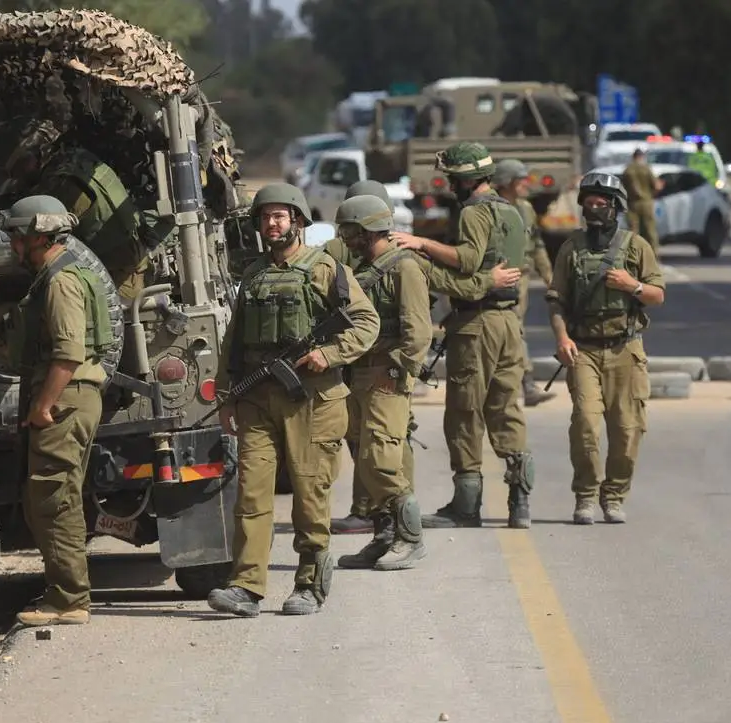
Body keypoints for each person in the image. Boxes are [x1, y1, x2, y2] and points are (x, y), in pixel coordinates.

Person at [208, 184, 379, 617]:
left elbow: (366, 322)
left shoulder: (324, 269)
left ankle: (309, 584)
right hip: (257, 398)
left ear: (298, 221)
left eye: (280, 216)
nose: (272, 224)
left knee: (309, 495)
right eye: (265, 217)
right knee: (251, 496)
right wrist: (227, 397)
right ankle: (246, 586)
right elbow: (233, 342)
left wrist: (329, 354)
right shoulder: (253, 274)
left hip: (312, 400)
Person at [391, 142, 534, 530]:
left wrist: (422, 246)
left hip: (476, 325)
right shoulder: (513, 210)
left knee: (465, 412)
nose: (450, 185)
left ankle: (467, 506)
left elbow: (468, 260)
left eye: (453, 179)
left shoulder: (473, 211)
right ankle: (520, 502)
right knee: (506, 407)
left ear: (468, 179)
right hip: (508, 323)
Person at [0, 195, 113, 627]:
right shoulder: (59, 274)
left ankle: (69, 599)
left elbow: (68, 353)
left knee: (54, 501)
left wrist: (43, 405)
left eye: (17, 236)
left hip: (65, 398)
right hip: (72, 396)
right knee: (51, 498)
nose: (13, 245)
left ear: (38, 237)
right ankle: (63, 592)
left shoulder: (60, 281)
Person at [545, 172, 666, 525]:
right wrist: (562, 338)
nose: (594, 209)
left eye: (601, 203)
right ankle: (585, 495)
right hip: (583, 350)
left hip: (625, 349)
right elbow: (556, 300)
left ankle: (613, 496)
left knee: (628, 429)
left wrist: (632, 285)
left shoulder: (636, 246)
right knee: (585, 423)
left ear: (616, 207)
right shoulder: (571, 248)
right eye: (588, 203)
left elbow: (658, 295)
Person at [331, 195, 433, 571]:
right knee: (365, 460)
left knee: (383, 459)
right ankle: (385, 535)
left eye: (349, 230)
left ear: (367, 229)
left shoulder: (404, 268)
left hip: (386, 376)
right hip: (359, 374)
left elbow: (418, 333)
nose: (345, 237)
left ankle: (411, 538)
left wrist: (396, 372)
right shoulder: (363, 269)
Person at [5, 119, 164, 302]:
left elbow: (46, 244)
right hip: (135, 253)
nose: (19, 176)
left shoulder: (58, 184)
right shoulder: (78, 159)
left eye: (21, 165)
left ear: (39, 152)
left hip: (122, 277)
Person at [493, 158, 556, 407]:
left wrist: (550, 278)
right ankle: (523, 384)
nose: (526, 185)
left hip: (521, 276)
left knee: (515, 328)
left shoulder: (526, 209)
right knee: (510, 330)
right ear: (506, 182)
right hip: (499, 277)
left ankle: (525, 384)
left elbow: (537, 244)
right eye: (520, 180)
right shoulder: (490, 209)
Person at [620, 149, 662, 255]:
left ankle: (633, 256)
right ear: (642, 157)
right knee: (650, 230)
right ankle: (653, 256)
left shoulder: (627, 170)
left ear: (633, 157)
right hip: (646, 203)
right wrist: (652, 194)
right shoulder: (646, 169)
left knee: (633, 232)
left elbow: (622, 188)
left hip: (632, 204)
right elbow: (657, 186)